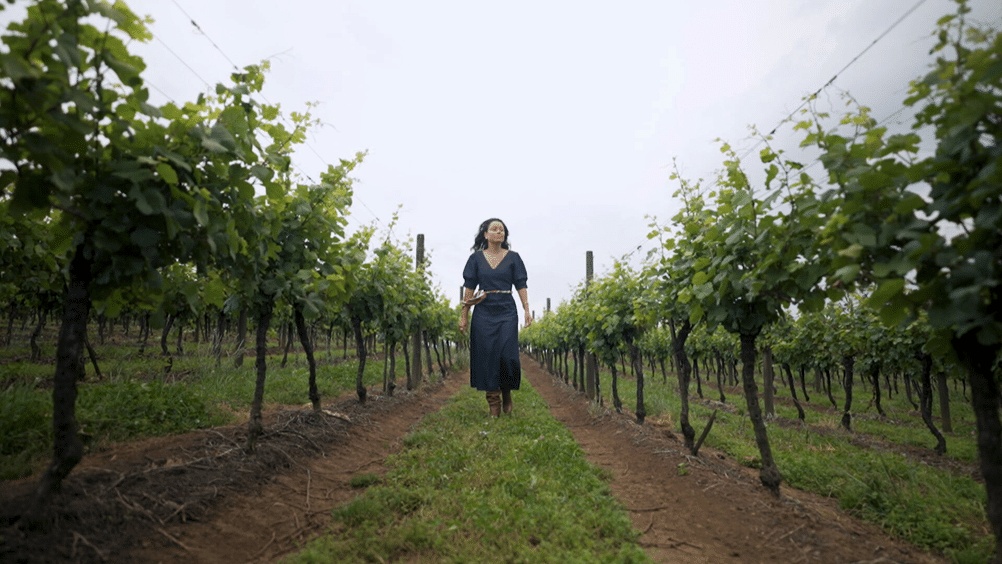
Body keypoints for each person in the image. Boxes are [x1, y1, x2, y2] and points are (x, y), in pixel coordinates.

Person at [458, 218, 532, 417]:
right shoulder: (475, 259)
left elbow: (521, 284)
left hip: (507, 309)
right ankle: (494, 403)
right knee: (487, 354)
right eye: (494, 229)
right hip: (483, 309)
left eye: (502, 230)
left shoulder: (514, 258)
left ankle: (506, 391)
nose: (499, 232)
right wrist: (464, 314)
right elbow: (470, 288)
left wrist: (526, 309)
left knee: (507, 355)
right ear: (486, 234)